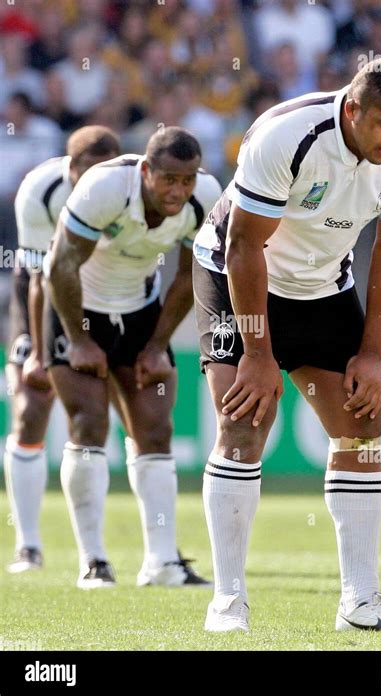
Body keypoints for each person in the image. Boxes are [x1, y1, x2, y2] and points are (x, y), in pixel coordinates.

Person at [193, 57, 381, 632]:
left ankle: (361, 602)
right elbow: (243, 248)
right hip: (238, 275)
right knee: (247, 421)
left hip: (323, 285)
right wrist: (257, 353)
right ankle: (228, 601)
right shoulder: (288, 134)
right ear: (352, 110)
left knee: (362, 427)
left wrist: (372, 355)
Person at [46, 127, 222, 589]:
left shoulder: (206, 196)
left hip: (140, 310)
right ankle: (94, 561)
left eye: (186, 181)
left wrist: (157, 344)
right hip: (75, 307)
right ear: (146, 171)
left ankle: (162, 563)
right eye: (168, 180)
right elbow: (61, 265)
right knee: (88, 425)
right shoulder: (105, 187)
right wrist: (80, 340)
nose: (178, 191)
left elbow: (191, 277)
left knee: (156, 429)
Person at [5, 126, 121, 573]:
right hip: (39, 288)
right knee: (31, 405)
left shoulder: (127, 189)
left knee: (92, 417)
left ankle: (95, 552)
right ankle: (27, 545)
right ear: (71, 169)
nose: (97, 183)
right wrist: (38, 352)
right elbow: (39, 277)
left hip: (100, 290)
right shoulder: (39, 189)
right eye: (89, 173)